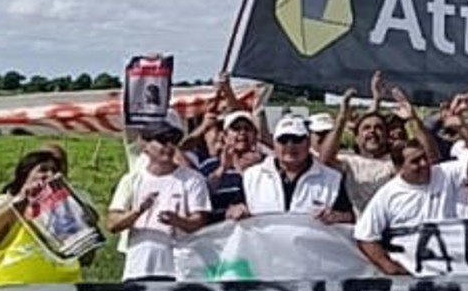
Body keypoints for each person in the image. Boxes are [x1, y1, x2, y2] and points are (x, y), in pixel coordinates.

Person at [355, 138, 468, 275]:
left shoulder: (444, 173)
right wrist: (388, 266)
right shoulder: (387, 195)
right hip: (413, 278)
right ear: (399, 167)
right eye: (415, 161)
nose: (424, 164)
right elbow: (365, 236)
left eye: (425, 158)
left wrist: (461, 127)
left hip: (453, 272)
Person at [104, 122, 213, 280]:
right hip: (138, 267)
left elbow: (199, 222)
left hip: (179, 269)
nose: (168, 147)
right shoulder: (132, 180)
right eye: (162, 141)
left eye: (173, 142)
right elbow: (112, 224)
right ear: (145, 146)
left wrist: (178, 221)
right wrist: (138, 212)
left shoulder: (192, 179)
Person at [240, 114, 352, 223]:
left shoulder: (332, 178)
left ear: (308, 143)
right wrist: (236, 211)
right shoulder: (251, 176)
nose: (290, 145)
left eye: (297, 139)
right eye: (283, 140)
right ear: (274, 144)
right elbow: (235, 209)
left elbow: (349, 217)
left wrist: (337, 216)